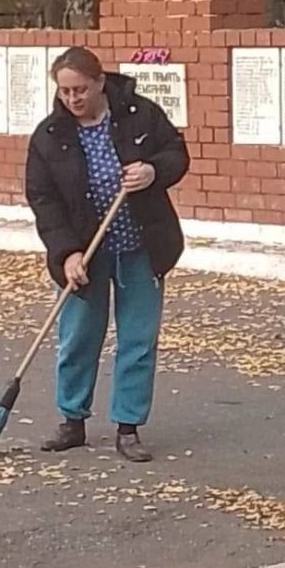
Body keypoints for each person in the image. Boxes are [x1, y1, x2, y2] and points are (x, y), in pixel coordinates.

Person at [25, 47, 190, 462]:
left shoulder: (139, 115)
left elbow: (175, 154)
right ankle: (72, 420)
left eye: (80, 89)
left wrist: (153, 171)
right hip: (85, 252)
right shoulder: (49, 137)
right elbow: (44, 200)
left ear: (99, 82)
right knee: (77, 337)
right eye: (64, 91)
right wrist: (66, 253)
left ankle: (128, 426)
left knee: (137, 339)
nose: (73, 99)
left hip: (140, 246)